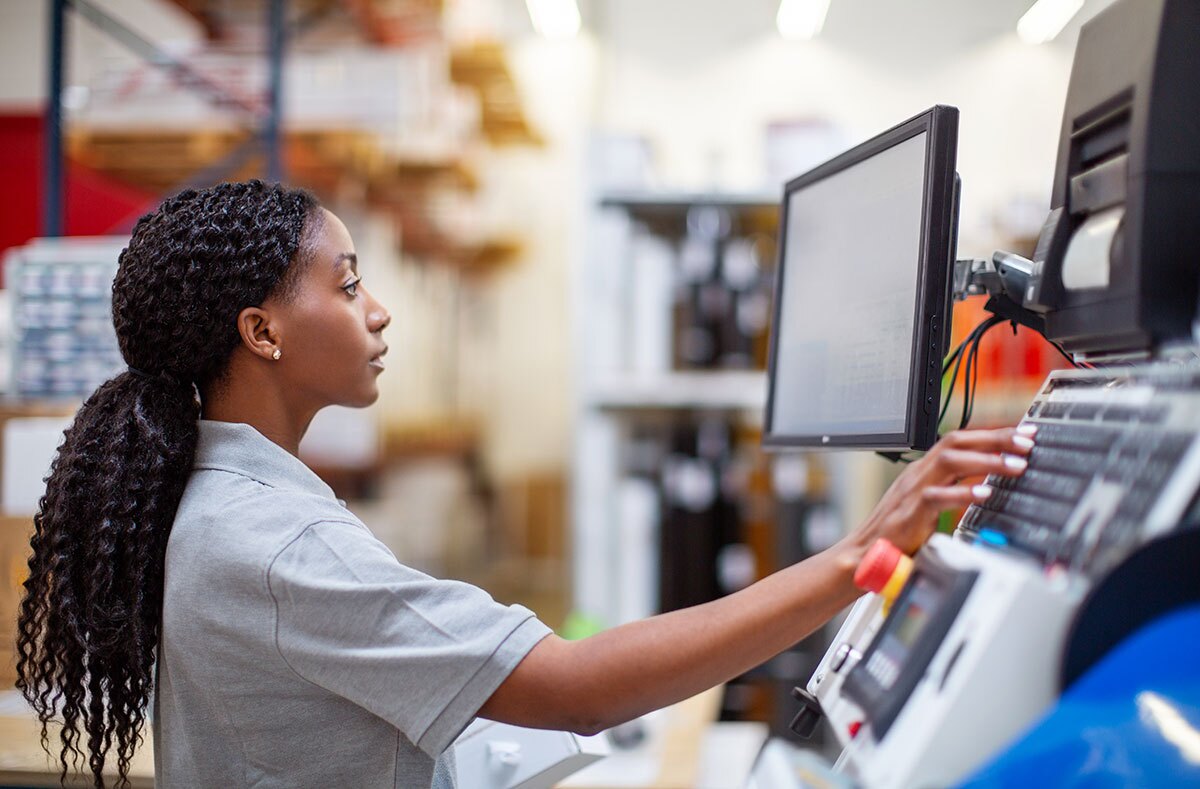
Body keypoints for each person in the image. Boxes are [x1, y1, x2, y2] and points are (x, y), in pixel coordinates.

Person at [15, 181, 1034, 789]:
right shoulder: (270, 541)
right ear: (263, 331)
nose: (378, 314)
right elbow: (573, 686)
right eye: (349, 281)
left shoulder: (240, 505)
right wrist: (865, 554)